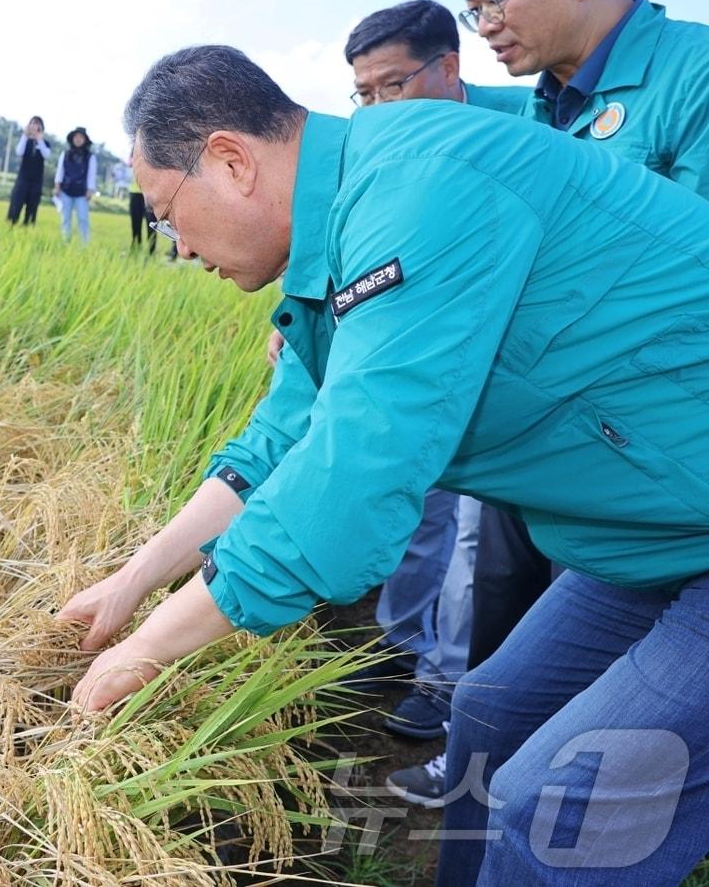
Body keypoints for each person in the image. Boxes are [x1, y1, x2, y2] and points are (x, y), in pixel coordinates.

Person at [59, 44, 709, 885]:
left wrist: (147, 649)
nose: (174, 244)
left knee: (550, 811)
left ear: (231, 161)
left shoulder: (416, 189)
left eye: (165, 213)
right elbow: (279, 442)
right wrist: (132, 583)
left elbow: (350, 480)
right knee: (488, 709)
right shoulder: (336, 244)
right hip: (654, 527)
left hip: (688, 517)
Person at [454, 0, 709, 678]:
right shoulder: (545, 109)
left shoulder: (694, 74)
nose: (487, 27)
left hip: (659, 466)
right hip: (560, 428)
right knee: (500, 659)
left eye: (496, 0)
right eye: (475, 10)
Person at [329, 0, 532, 755]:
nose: (376, 108)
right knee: (418, 506)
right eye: (364, 93)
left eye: (392, 86)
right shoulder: (374, 144)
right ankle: (394, 644)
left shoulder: (523, 122)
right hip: (424, 353)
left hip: (507, 365)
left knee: (479, 537)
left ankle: (444, 680)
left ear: (448, 67)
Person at [53, 127, 96, 243]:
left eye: (81, 137)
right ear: (72, 139)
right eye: (76, 137)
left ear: (85, 140)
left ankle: (84, 244)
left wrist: (90, 190)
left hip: (82, 192)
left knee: (83, 219)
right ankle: (65, 241)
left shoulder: (90, 156)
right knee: (65, 218)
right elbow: (60, 171)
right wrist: (57, 186)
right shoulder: (65, 154)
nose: (78, 139)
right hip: (66, 190)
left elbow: (91, 175)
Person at [7, 116, 50, 225]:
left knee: (32, 204)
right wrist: (25, 135)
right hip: (23, 177)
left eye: (38, 124)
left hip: (37, 179)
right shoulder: (25, 140)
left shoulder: (45, 143)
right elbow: (19, 152)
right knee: (17, 201)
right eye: (33, 124)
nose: (35, 127)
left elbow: (46, 154)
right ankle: (12, 222)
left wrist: (39, 139)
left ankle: (28, 224)